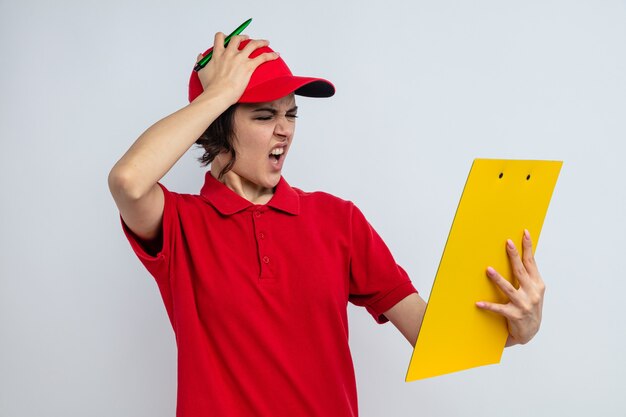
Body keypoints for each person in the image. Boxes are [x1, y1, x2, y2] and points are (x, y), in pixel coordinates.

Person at [108, 32, 546, 417]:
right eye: (264, 116)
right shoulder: (180, 223)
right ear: (215, 127)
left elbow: (437, 339)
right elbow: (128, 180)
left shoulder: (338, 221)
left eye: (291, 114)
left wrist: (520, 330)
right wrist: (219, 93)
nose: (285, 131)